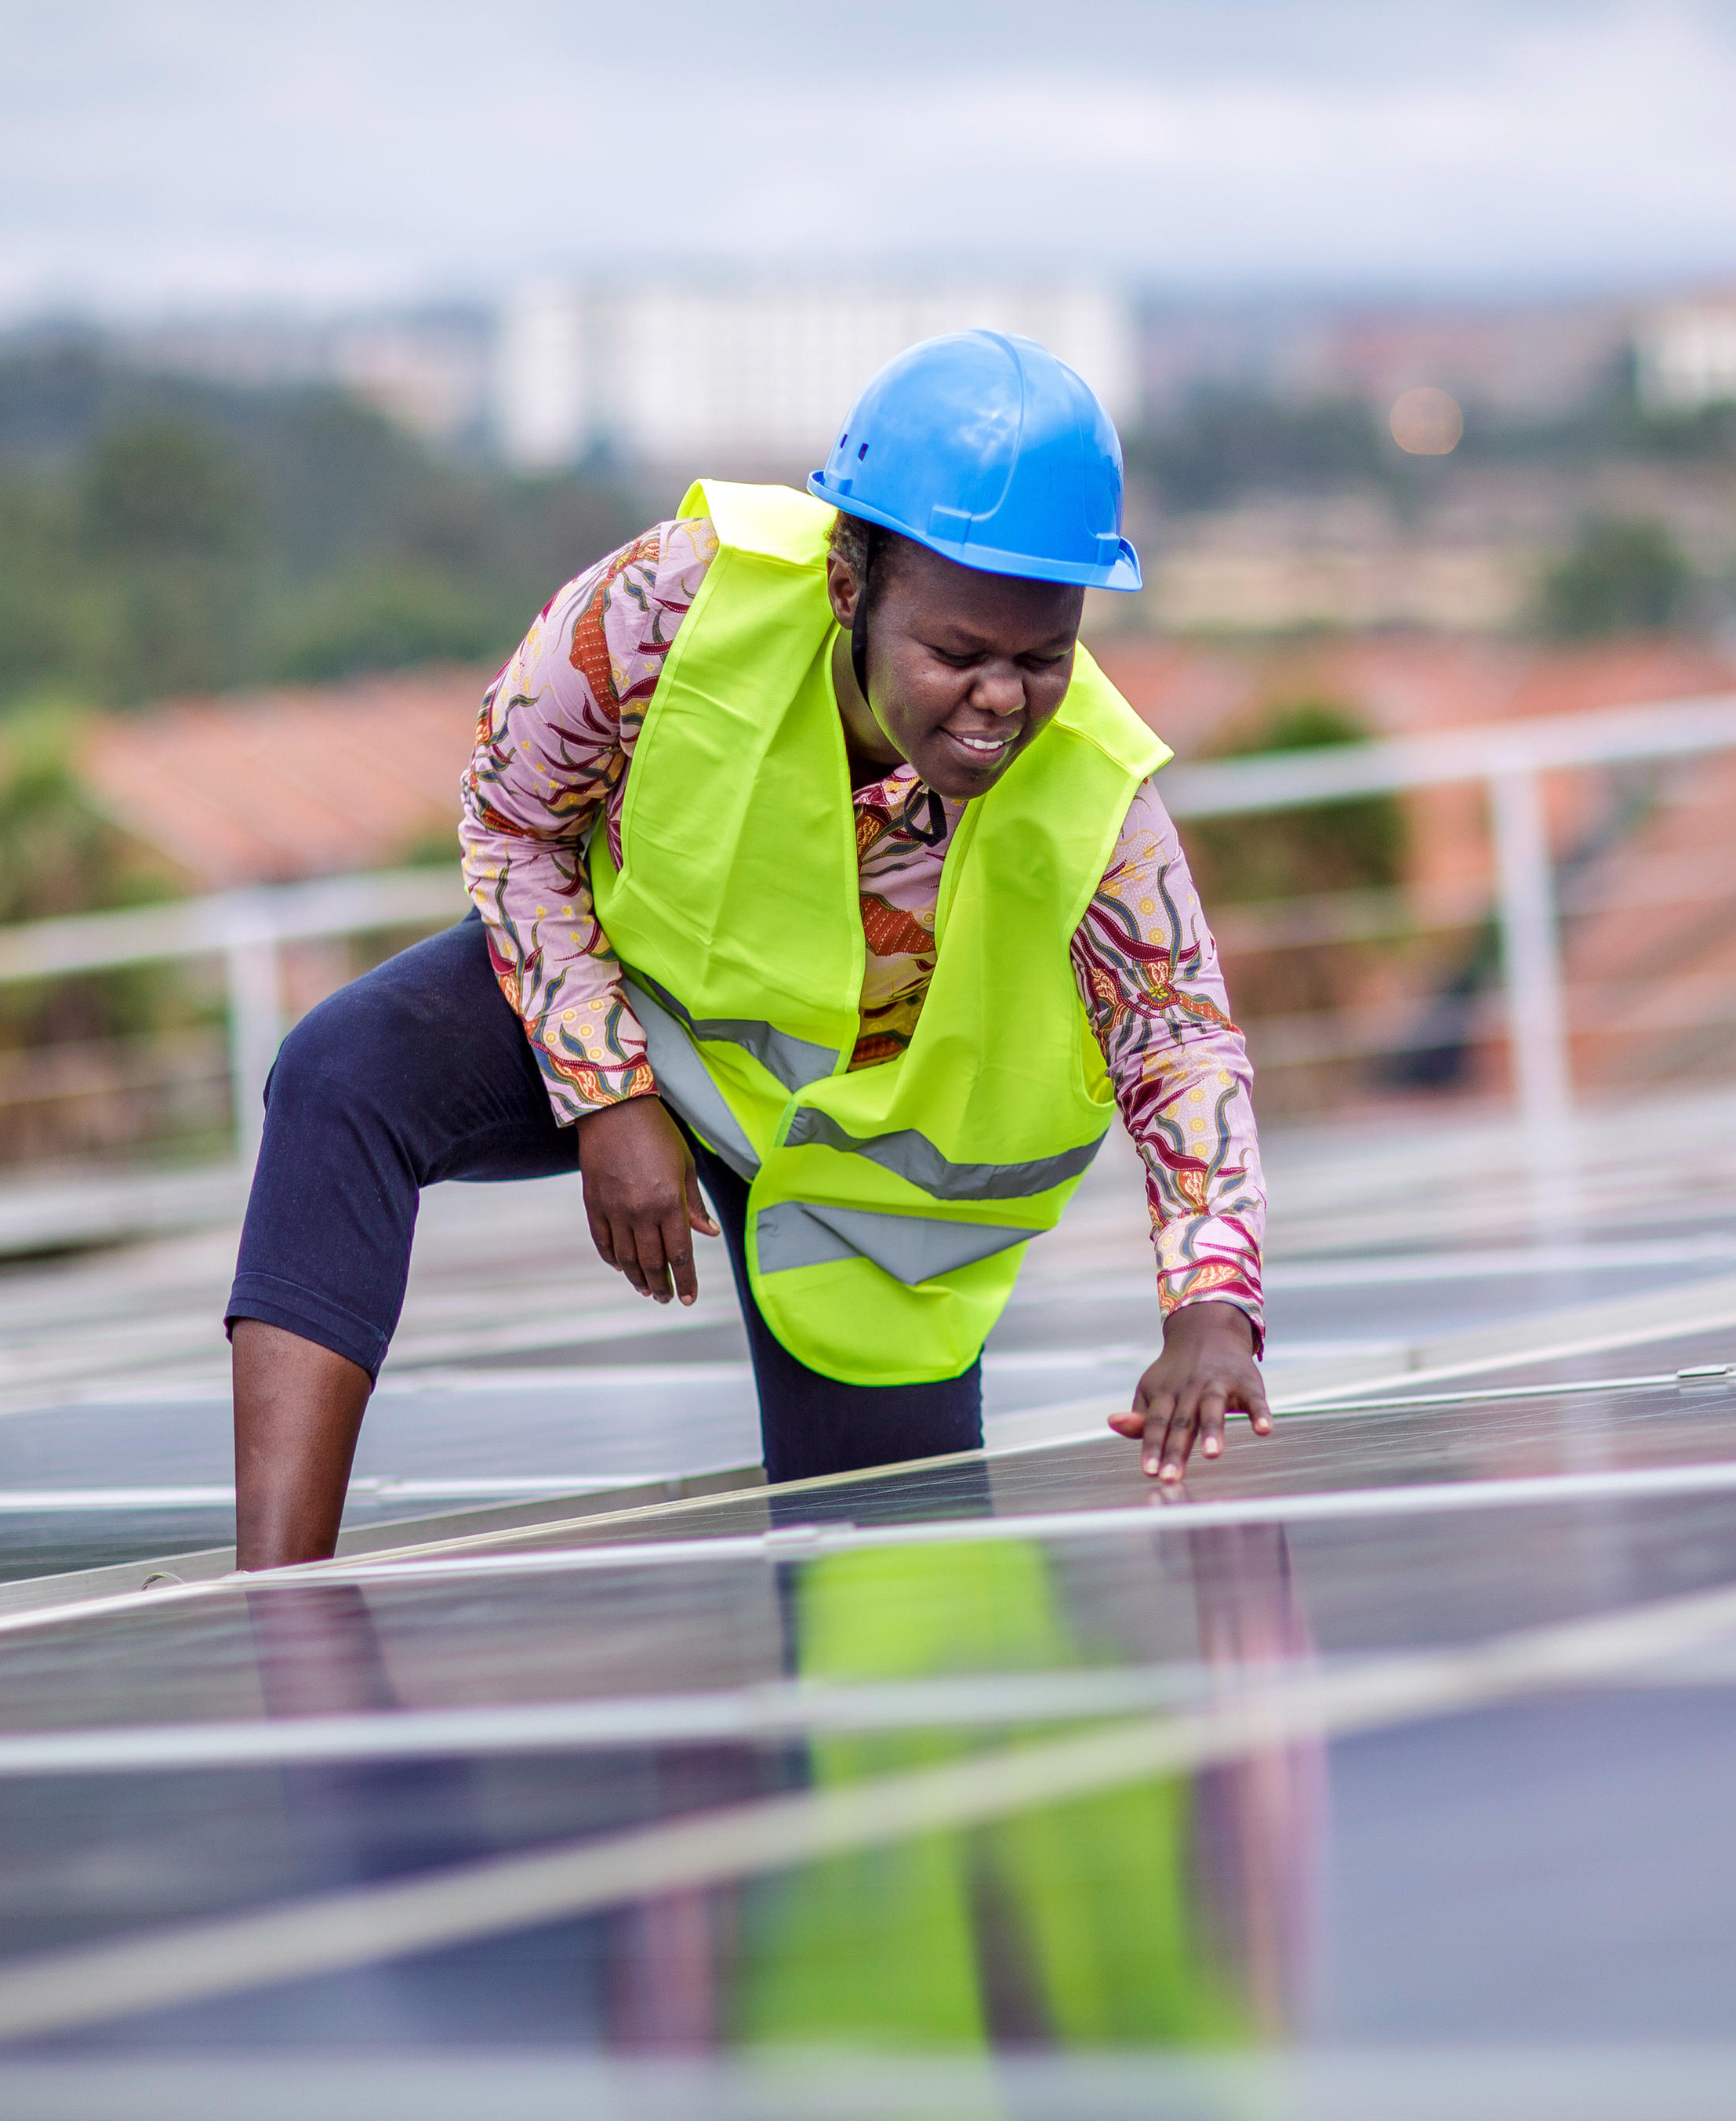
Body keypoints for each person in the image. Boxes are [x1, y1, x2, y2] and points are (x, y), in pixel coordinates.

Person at [227, 332, 1269, 1570]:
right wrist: (606, 1090)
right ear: (850, 583)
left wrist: (1214, 1305)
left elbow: (1179, 1035)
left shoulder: (1101, 795)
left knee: (888, 1622)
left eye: (1041, 658)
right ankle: (271, 1603)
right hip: (639, 1013)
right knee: (343, 1075)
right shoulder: (672, 600)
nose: (1001, 699)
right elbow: (511, 821)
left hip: (857, 1207)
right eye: (956, 653)